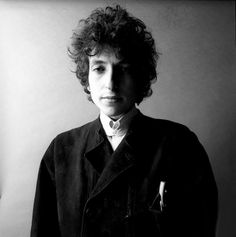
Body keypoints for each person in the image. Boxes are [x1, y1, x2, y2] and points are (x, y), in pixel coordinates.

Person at [30, 5, 218, 237]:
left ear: (140, 78)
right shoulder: (60, 151)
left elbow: (200, 229)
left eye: (124, 69)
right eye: (99, 68)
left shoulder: (180, 144)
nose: (111, 82)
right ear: (86, 79)